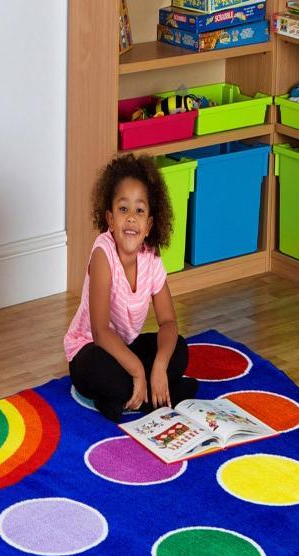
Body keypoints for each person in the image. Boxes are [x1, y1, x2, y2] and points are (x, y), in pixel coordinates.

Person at [64, 154, 198, 423]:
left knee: (179, 350)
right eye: (123, 210)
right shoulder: (103, 254)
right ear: (110, 219)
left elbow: (169, 321)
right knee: (98, 371)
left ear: (149, 225)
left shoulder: (151, 257)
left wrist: (159, 365)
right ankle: (152, 394)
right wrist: (138, 370)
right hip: (91, 350)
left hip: (125, 346)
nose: (131, 219)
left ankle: (131, 397)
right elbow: (101, 332)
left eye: (139, 211)